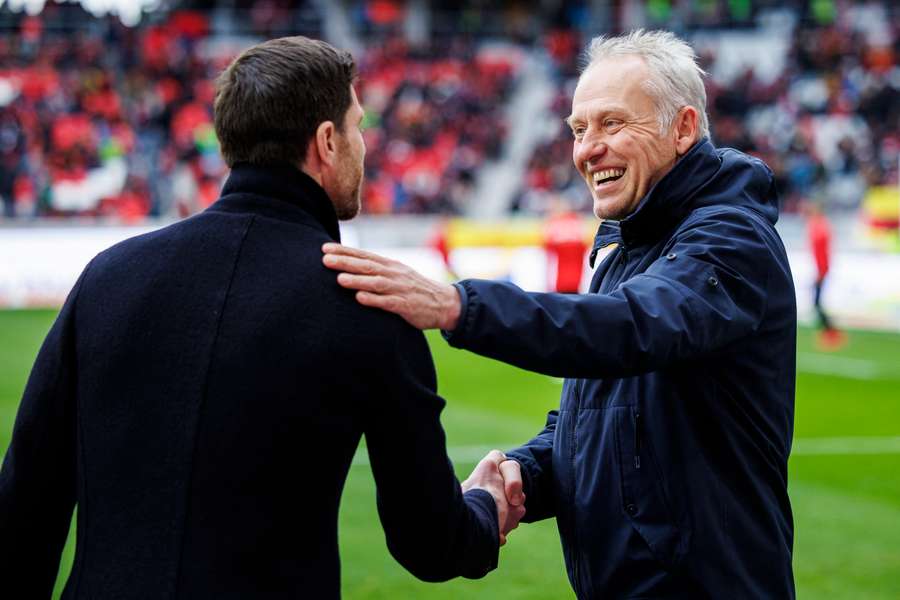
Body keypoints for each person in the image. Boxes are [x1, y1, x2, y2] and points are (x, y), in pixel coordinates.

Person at [0, 36, 523, 599]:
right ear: (327, 141)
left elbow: (24, 512)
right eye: (358, 126)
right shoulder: (370, 299)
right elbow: (431, 542)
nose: (365, 146)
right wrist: (487, 507)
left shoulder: (108, 277)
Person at [323, 29, 797, 598]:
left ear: (685, 128)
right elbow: (614, 420)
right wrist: (527, 471)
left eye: (612, 124)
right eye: (578, 129)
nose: (586, 149)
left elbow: (631, 328)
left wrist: (458, 306)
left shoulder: (730, 237)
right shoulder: (629, 246)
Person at [805, 202, 844, 349]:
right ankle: (829, 331)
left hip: (821, 270)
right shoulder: (818, 225)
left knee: (817, 303)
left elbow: (822, 252)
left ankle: (831, 332)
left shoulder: (820, 226)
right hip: (820, 269)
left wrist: (821, 272)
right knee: (817, 303)